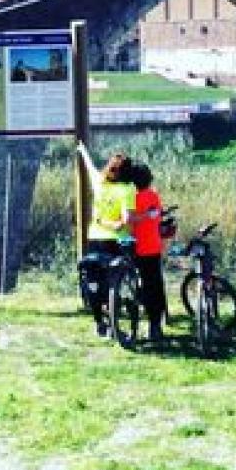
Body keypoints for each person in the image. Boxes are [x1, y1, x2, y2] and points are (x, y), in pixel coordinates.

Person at [76, 142, 137, 336]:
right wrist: (114, 224)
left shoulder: (99, 183)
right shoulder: (128, 189)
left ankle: (99, 322)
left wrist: (83, 150)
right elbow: (125, 222)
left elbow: (90, 167)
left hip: (95, 238)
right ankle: (115, 314)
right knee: (115, 281)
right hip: (117, 242)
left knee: (94, 281)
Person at [130, 162, 168, 341]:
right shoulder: (153, 196)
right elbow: (158, 215)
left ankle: (139, 319)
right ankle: (155, 324)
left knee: (141, 285)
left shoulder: (132, 198)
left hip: (137, 247)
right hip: (153, 246)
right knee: (155, 285)